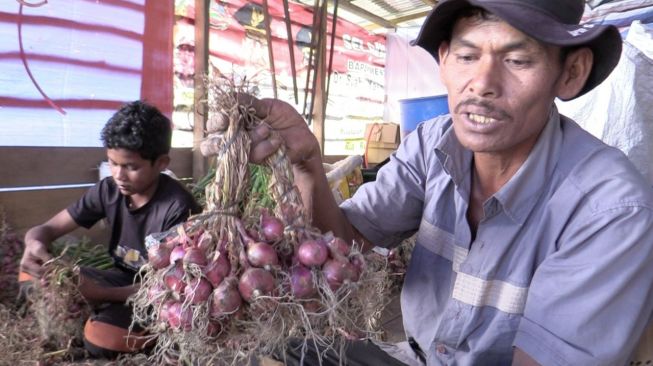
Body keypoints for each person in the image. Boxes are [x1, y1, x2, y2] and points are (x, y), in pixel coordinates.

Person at [246, 0, 653, 365]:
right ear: (443, 60)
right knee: (275, 352)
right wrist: (306, 164)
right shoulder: (429, 144)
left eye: (518, 60)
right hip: (414, 356)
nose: (482, 83)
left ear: (571, 73)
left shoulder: (610, 207)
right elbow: (344, 241)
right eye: (466, 55)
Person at [18, 100, 201, 358]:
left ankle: (153, 337)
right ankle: (93, 320)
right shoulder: (109, 190)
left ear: (161, 163)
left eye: (131, 166)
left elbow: (172, 287)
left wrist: (100, 294)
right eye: (112, 163)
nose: (119, 175)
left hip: (156, 297)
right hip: (120, 280)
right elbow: (46, 229)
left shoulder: (177, 208)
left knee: (101, 338)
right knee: (32, 278)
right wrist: (33, 245)